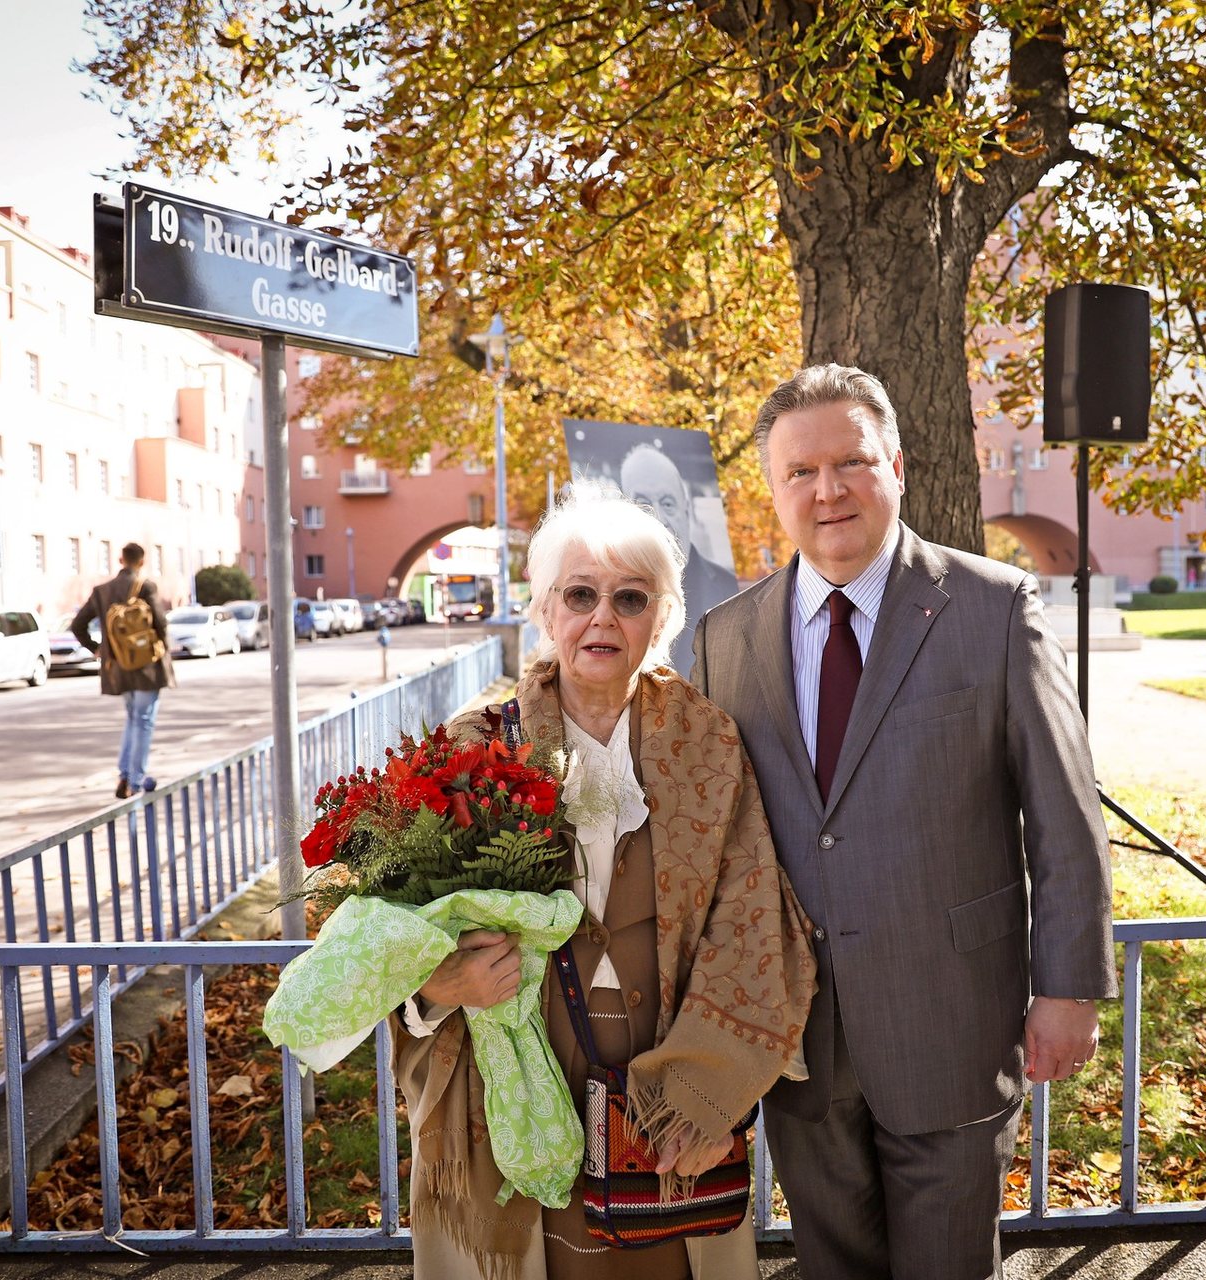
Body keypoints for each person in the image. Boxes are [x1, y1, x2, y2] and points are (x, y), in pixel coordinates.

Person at [691, 365, 1116, 1280]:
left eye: (850, 461)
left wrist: (1070, 987)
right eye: (800, 472)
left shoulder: (993, 608)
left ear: (897, 465)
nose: (827, 489)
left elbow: (1064, 814)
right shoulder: (725, 637)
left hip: (950, 1020)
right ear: (772, 490)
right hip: (796, 1033)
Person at [392, 482, 818, 1280]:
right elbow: (388, 928)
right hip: (516, 1085)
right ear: (546, 611)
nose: (603, 617)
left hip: (666, 1084)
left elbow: (753, 916)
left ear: (662, 618)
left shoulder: (709, 742)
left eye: (630, 598)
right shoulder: (472, 747)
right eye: (580, 594)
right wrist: (442, 984)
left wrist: (706, 1084)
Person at [618, 443, 738, 675]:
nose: (659, 518)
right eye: (643, 504)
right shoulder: (603, 598)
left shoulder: (729, 591)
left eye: (668, 503)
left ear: (686, 512)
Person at [70, 542, 175, 799]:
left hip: (118, 667)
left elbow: (77, 625)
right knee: (144, 720)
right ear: (141, 561)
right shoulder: (145, 586)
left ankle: (125, 773)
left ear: (120, 560)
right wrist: (162, 646)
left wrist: (97, 648)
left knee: (132, 718)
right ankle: (136, 779)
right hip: (147, 666)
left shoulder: (102, 591)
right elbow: (160, 622)